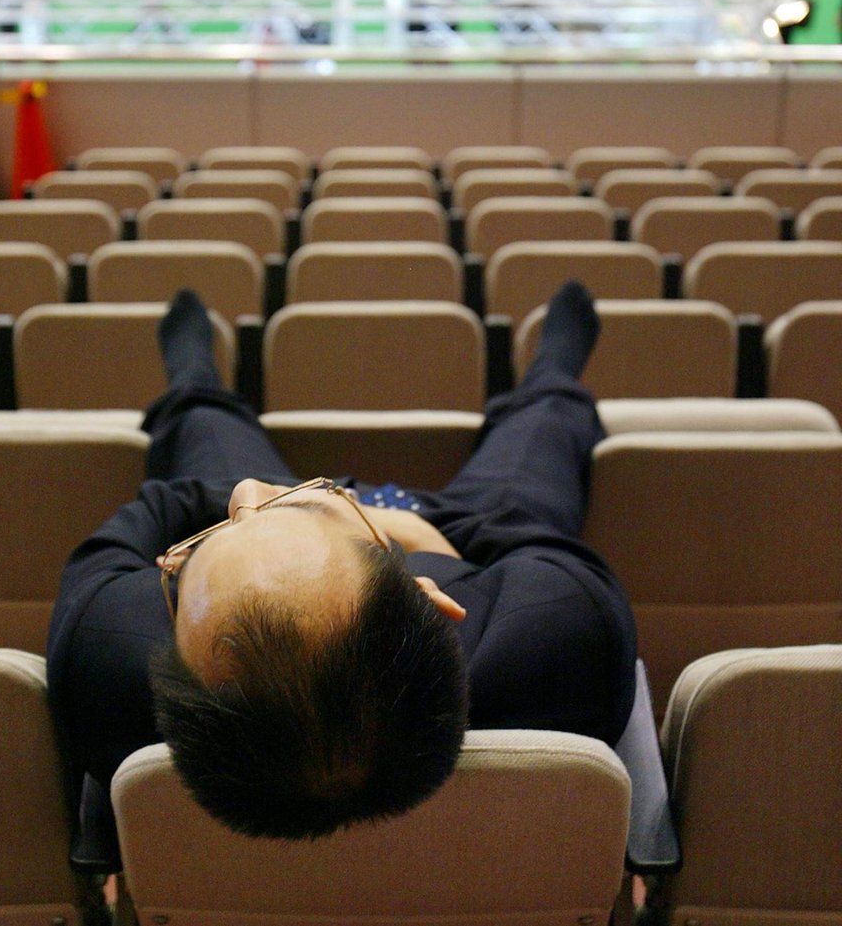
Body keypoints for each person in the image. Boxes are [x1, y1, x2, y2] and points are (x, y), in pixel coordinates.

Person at [47, 281, 637, 844]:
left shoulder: (104, 649)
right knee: (543, 427)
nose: (247, 492)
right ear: (429, 599)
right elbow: (528, 535)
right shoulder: (564, 628)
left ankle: (193, 377)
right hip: (457, 526)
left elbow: (159, 502)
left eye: (202, 545)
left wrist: (261, 515)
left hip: (309, 521)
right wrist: (407, 526)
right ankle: (554, 371)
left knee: (203, 425)